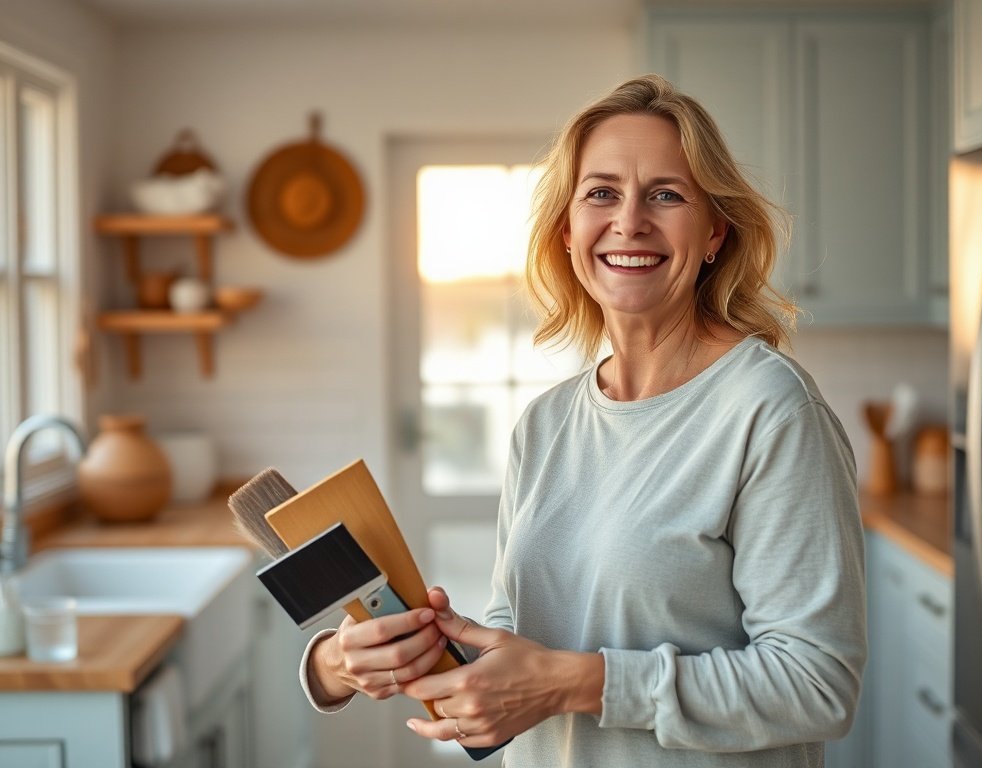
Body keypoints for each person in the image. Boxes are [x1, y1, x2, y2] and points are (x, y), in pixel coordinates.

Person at [300, 73, 866, 768]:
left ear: (715, 232)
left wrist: (574, 684)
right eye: (601, 193)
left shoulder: (771, 410)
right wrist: (358, 661)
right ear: (567, 231)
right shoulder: (545, 424)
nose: (630, 221)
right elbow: (518, 633)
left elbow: (816, 685)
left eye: (667, 194)